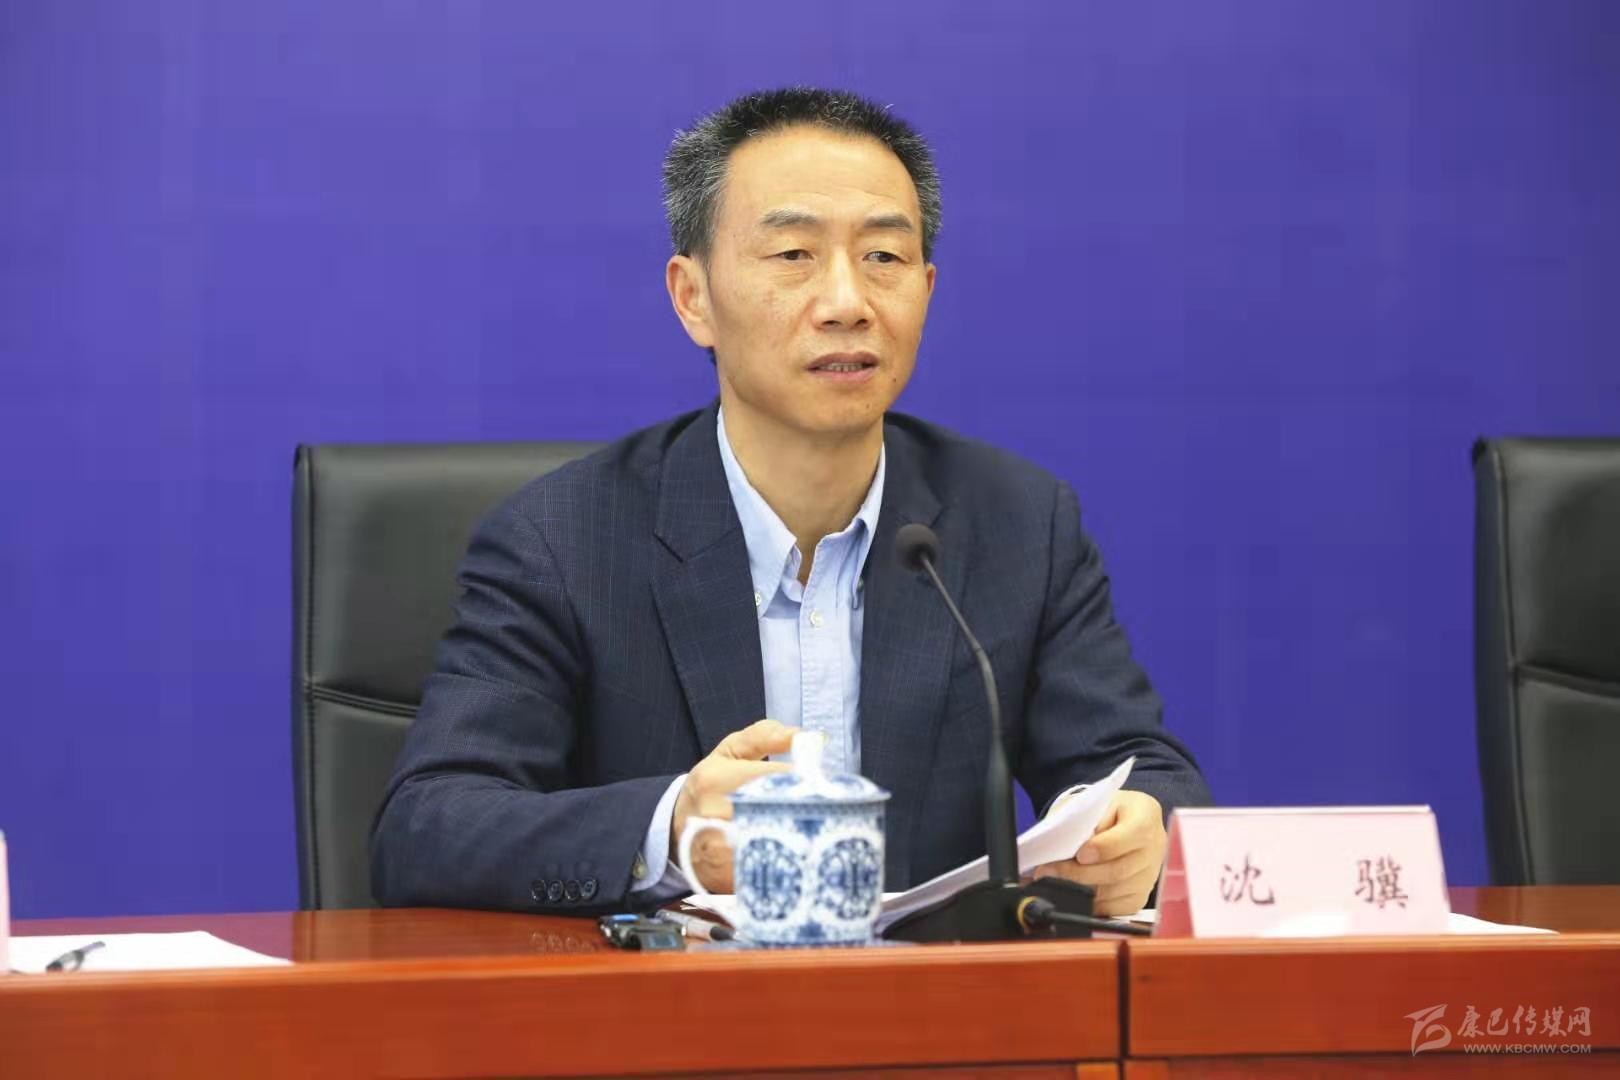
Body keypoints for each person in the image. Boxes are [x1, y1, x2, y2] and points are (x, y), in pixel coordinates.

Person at [371, 87, 1211, 918]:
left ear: (926, 288)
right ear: (693, 297)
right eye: (793, 255)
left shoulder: (1016, 523)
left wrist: (1141, 834)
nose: (847, 303)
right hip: (671, 1001)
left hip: (929, 1002)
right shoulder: (563, 539)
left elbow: (1145, 770)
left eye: (883, 258)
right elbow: (427, 829)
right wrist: (673, 831)